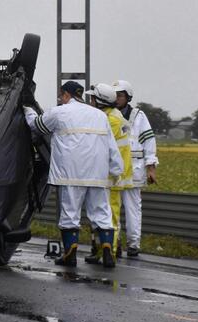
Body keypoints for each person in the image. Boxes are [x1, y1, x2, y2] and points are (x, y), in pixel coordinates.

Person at [24, 81, 123, 268]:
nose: (60, 98)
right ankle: (108, 254)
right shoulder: (100, 116)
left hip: (71, 174)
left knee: (70, 214)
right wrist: (116, 170)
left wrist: (28, 110)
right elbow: (111, 145)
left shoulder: (59, 112)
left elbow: (35, 126)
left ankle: (70, 256)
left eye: (61, 95)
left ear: (66, 95)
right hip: (97, 174)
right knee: (102, 213)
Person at [84, 83, 134, 264]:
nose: (90, 101)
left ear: (100, 101)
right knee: (101, 213)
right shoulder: (110, 116)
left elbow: (102, 146)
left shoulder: (111, 119)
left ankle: (110, 251)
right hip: (108, 173)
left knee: (110, 214)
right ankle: (100, 250)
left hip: (112, 175)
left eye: (92, 98)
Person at [113, 80, 158, 257]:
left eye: (120, 95)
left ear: (128, 97)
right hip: (114, 170)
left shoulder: (139, 116)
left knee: (132, 208)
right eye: (115, 95)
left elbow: (150, 142)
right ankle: (113, 240)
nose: (117, 99)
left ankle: (133, 244)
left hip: (134, 170)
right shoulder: (108, 114)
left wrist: (151, 168)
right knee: (112, 207)